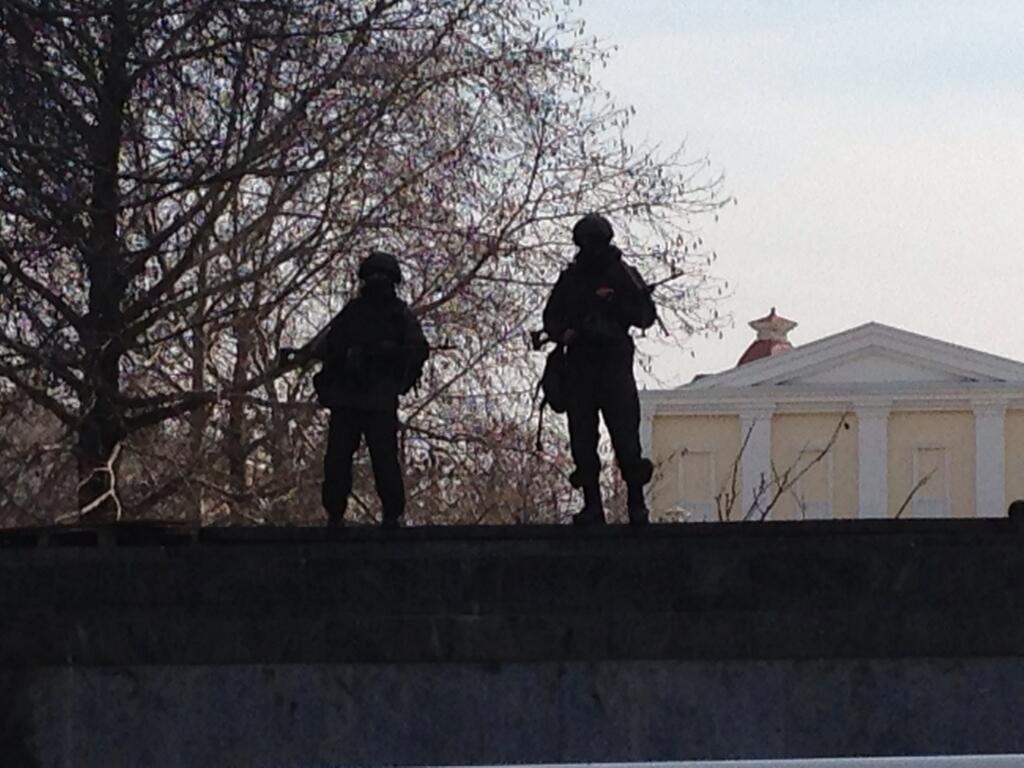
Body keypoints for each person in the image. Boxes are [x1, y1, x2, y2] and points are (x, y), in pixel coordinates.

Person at [542, 214, 657, 525]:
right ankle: (592, 505)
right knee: (582, 438)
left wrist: (615, 304)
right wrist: (566, 332)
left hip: (613, 366)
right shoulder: (572, 278)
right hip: (580, 368)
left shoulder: (623, 275)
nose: (591, 250)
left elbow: (645, 316)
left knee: (625, 437)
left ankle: (637, 504)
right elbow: (551, 319)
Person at [301, 251, 428, 528]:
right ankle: (336, 513)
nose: (377, 282)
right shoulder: (354, 314)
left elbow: (417, 350)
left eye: (381, 277)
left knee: (382, 460)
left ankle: (391, 514)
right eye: (374, 277)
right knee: (339, 460)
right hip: (350, 397)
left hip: (377, 397)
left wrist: (389, 360)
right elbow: (327, 347)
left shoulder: (398, 316)